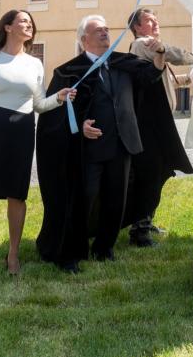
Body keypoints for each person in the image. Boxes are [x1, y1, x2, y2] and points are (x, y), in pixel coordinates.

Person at [35, 15, 175, 273]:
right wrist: (79, 126)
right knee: (84, 199)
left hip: (122, 144)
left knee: (116, 199)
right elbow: (56, 112)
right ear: (83, 39)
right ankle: (74, 252)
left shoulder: (122, 63)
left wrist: (159, 55)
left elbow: (150, 76)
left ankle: (104, 248)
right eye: (98, 30)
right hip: (89, 149)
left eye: (106, 29)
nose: (105, 32)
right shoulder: (69, 71)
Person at [0, 10, 76, 277]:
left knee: (18, 194)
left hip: (23, 132)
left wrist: (59, 98)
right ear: (7, 27)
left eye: (30, 23)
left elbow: (39, 104)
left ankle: (13, 254)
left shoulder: (34, 63)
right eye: (22, 22)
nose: (28, 26)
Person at [125, 8, 193, 246]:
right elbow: (172, 54)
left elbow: (171, 82)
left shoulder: (155, 51)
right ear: (137, 27)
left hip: (159, 122)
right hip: (147, 123)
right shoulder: (142, 44)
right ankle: (139, 229)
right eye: (149, 21)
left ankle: (146, 219)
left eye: (157, 20)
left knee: (160, 172)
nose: (155, 24)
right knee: (149, 174)